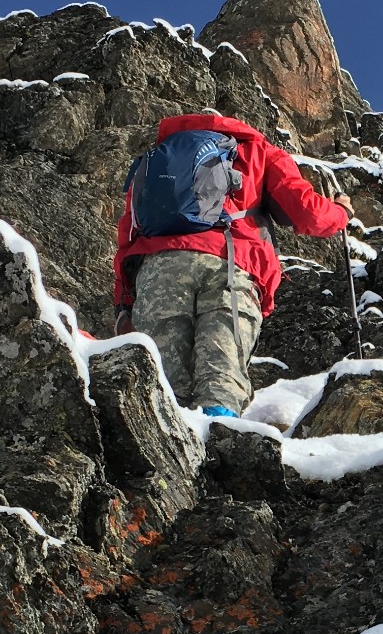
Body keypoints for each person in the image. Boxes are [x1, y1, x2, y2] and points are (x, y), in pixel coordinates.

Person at [112, 112, 351, 417]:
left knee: (165, 388)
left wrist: (124, 305)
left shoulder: (157, 157)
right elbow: (308, 213)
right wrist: (341, 212)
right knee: (220, 376)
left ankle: (171, 454)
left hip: (159, 270)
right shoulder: (258, 150)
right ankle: (218, 448)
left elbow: (129, 233)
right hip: (230, 268)